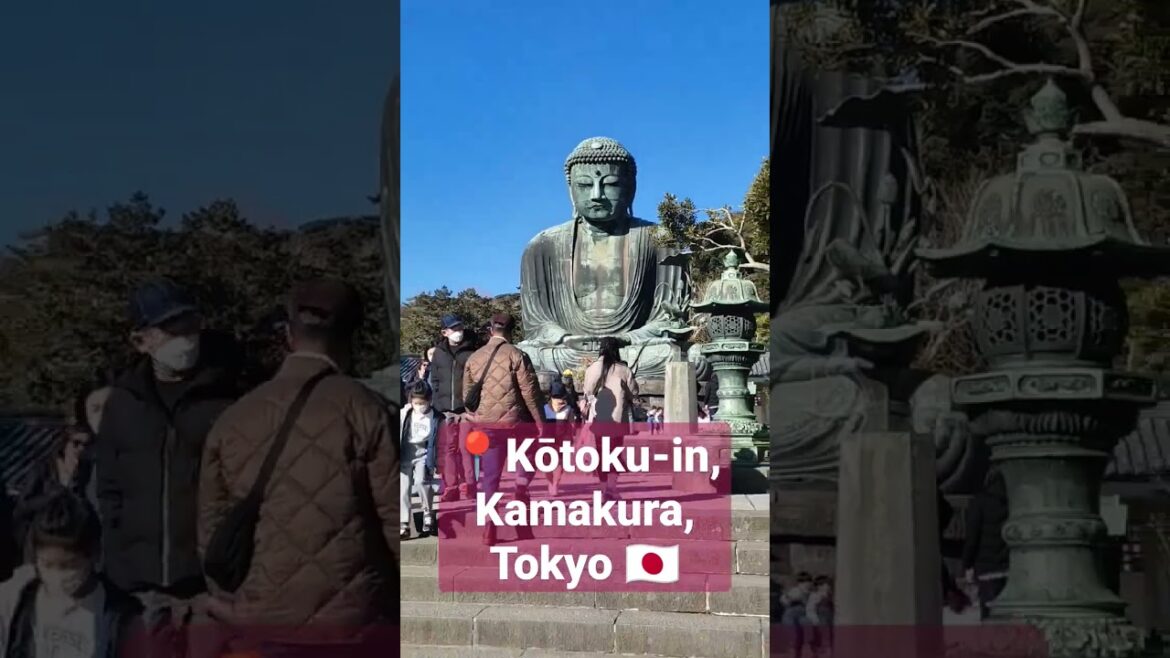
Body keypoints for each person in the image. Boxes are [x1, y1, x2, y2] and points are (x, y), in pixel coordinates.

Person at [197, 279, 397, 651]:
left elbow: (212, 526)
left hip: (258, 618)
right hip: (352, 620)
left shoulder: (235, 418)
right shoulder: (367, 410)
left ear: (289, 334)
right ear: (350, 337)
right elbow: (392, 520)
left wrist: (231, 601)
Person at [95, 277, 243, 642]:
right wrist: (118, 558)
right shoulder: (122, 404)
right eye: (170, 328)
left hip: (209, 586)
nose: (185, 337)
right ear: (141, 341)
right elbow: (108, 487)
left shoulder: (227, 396)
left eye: (190, 324)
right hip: (136, 589)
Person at [0, 490, 147, 657]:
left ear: (93, 555)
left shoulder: (119, 616)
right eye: (47, 565)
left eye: (68, 565)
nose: (57, 575)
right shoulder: (17, 599)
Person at [462, 313, 545, 546]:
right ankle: (520, 495)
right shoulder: (518, 355)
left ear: (490, 330)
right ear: (512, 331)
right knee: (526, 464)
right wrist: (541, 424)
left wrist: (475, 416)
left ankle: (490, 525)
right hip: (517, 424)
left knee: (490, 476)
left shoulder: (475, 358)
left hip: (487, 426)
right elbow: (530, 393)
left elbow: (467, 396)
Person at [582, 337, 639, 502]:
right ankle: (612, 488)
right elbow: (633, 392)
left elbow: (587, 391)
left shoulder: (592, 368)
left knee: (601, 453)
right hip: (617, 418)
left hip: (599, 417)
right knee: (614, 452)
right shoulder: (623, 370)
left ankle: (603, 488)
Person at [430, 314, 478, 503]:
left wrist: (471, 405)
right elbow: (434, 380)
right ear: (445, 332)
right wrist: (437, 404)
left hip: (465, 410)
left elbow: (476, 381)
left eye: (460, 328)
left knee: (466, 448)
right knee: (449, 450)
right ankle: (451, 486)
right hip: (444, 410)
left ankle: (469, 485)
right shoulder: (439, 354)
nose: (458, 332)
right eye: (454, 329)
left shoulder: (470, 352)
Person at [963, 466, 1009, 619]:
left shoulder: (979, 503)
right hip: (1009, 568)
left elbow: (972, 537)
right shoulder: (1012, 502)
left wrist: (967, 563)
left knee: (989, 614)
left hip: (987, 569)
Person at [400, 381, 440, 539]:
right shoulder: (406, 413)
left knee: (421, 482)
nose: (419, 406)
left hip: (424, 453)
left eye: (422, 403)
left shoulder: (435, 417)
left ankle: (428, 513)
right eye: (416, 403)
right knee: (403, 489)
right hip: (406, 452)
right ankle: (404, 525)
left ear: (429, 401)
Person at [542, 381, 577, 497]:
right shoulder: (568, 409)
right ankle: (555, 484)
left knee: (546, 463)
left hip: (547, 439)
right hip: (563, 438)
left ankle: (550, 482)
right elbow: (572, 425)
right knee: (560, 462)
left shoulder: (545, 408)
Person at [806, 575, 833, 657]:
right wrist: (815, 620)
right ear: (819, 586)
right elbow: (810, 609)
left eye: (828, 584)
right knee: (822, 638)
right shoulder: (815, 595)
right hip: (820, 620)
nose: (828, 586)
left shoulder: (829, 595)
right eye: (825, 584)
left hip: (829, 620)